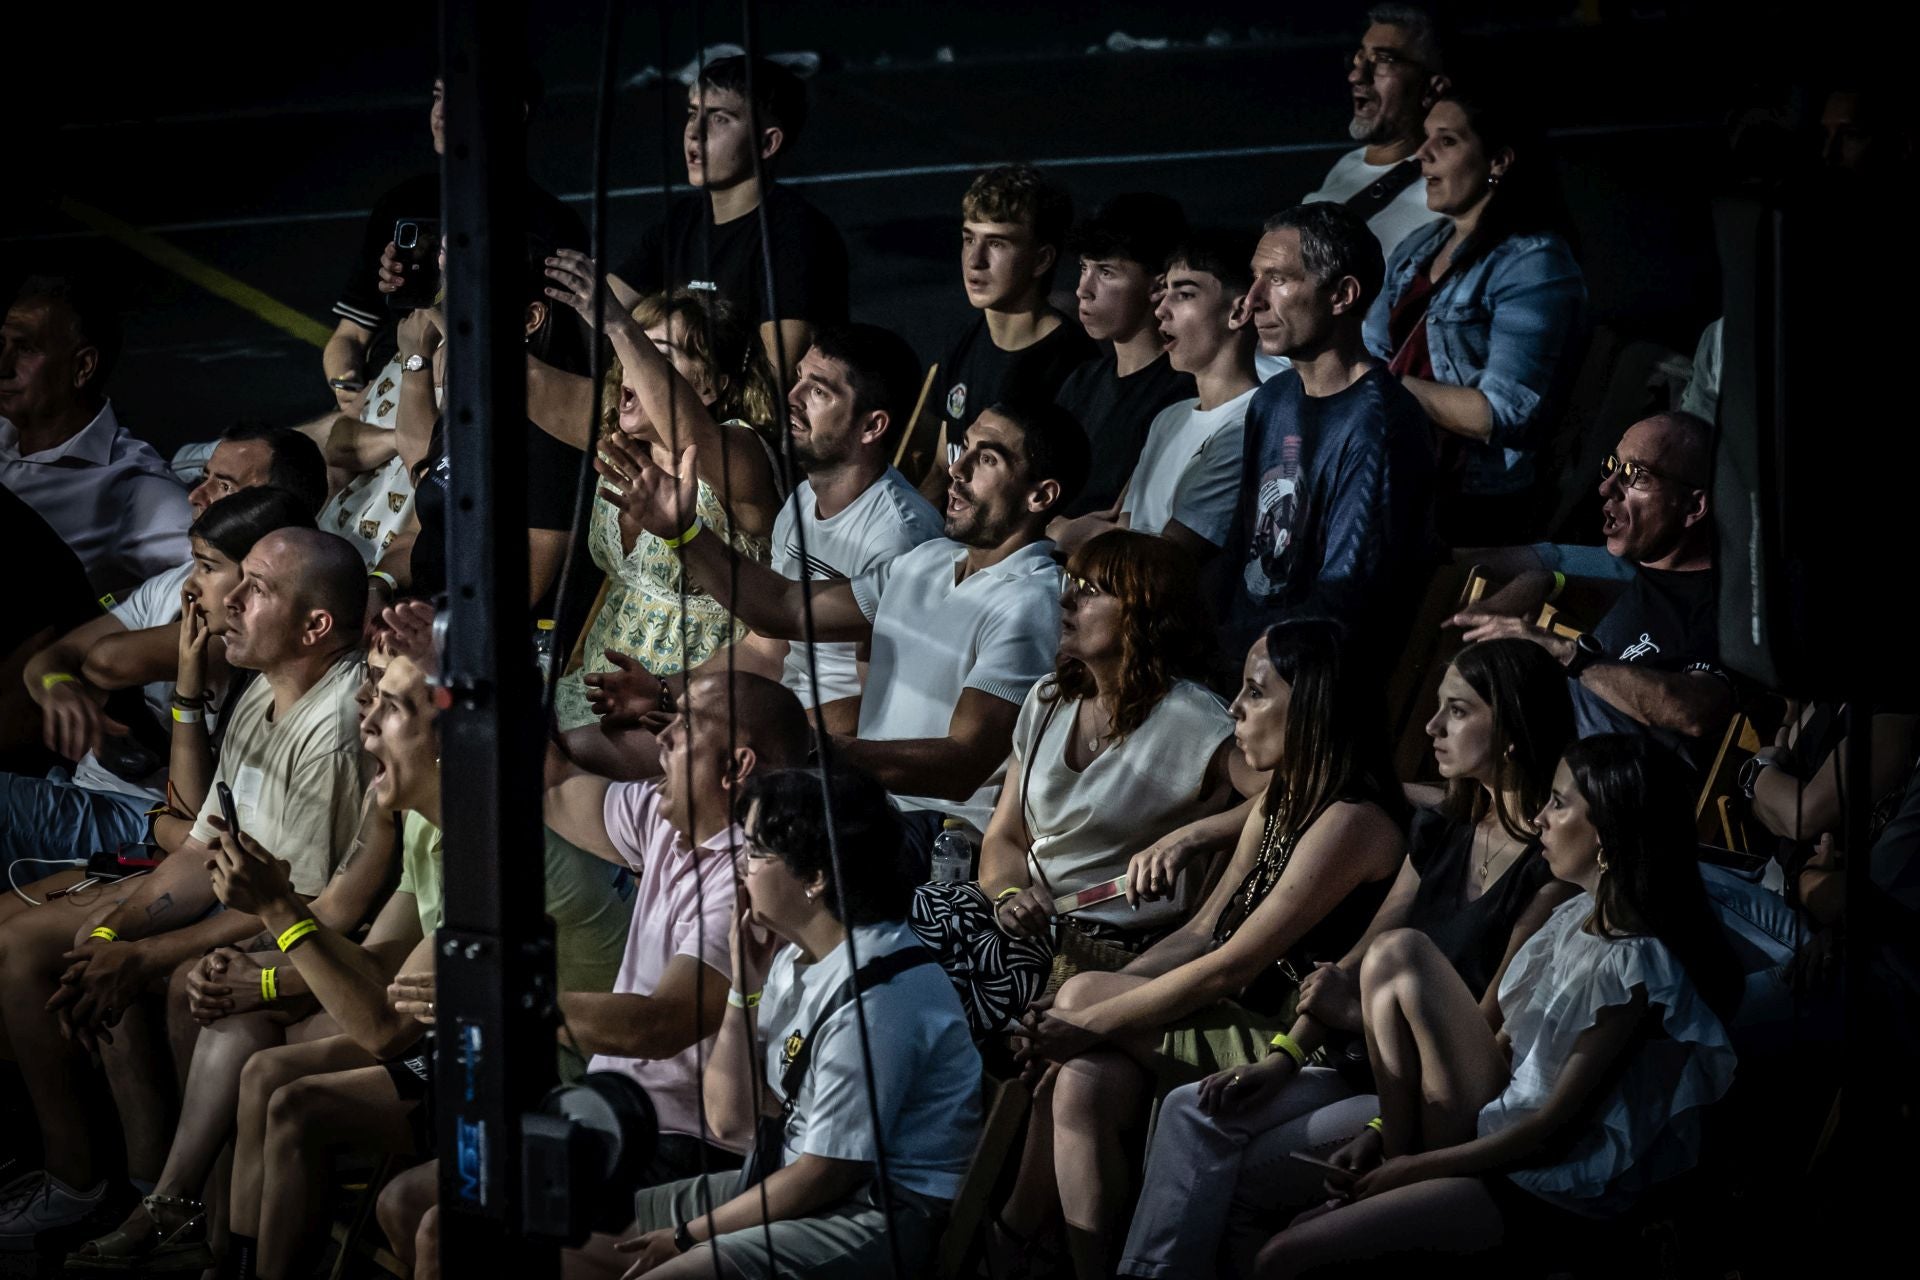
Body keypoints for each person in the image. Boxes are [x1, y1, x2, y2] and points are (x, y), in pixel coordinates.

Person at [1119, 637, 1579, 1278]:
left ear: (1511, 731)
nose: (1431, 726)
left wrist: (1362, 1053)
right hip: (1360, 1065)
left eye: (1457, 711)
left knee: (1245, 1171)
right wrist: (1283, 1058)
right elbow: (1354, 964)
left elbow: (1483, 1026)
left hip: (1434, 1093)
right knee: (1193, 1110)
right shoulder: (1442, 832)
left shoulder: (1550, 873)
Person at [997, 619, 1407, 1278]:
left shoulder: (1350, 821)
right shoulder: (1283, 796)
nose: (1235, 711)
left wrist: (1088, 1018)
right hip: (1225, 1018)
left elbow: (1233, 965)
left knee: (1078, 1014)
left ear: (1311, 707)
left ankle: (1011, 1240)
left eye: (1255, 693)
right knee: (1082, 1075)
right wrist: (1081, 1019)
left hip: (1290, 1044)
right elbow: (1199, 933)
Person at [1249, 734, 1741, 1276]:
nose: (1539, 820)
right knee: (1395, 953)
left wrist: (1414, 1170)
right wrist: (1382, 1133)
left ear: (1606, 834)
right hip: (1487, 1128)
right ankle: (1391, 1150)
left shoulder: (1636, 966)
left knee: (1283, 1257)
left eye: (1558, 803)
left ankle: (1398, 1164)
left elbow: (1546, 1129)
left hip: (1534, 1182)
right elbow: (1498, 1049)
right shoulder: (1568, 921)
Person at [0, 529, 368, 1246]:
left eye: (254, 588)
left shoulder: (337, 722)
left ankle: (197, 1223)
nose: (228, 600)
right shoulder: (265, 687)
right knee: (92, 946)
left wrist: (147, 956)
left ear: (314, 625)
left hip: (313, 932)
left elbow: (304, 906)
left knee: (179, 982)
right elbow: (200, 846)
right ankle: (139, 1198)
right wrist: (115, 936)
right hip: (254, 904)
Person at [590, 394, 1089, 862]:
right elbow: (786, 607)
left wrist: (811, 750)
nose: (955, 469)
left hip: (940, 841)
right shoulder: (932, 560)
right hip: (867, 809)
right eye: (966, 449)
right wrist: (683, 532)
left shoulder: (1031, 599)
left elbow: (962, 763)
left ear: (1040, 496)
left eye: (988, 459)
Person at [610, 765, 981, 1280]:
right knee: (590, 1240)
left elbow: (825, 1173)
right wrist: (743, 987)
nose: (743, 868)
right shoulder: (793, 959)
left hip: (877, 1212)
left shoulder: (882, 997)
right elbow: (729, 1118)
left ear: (814, 876)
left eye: (757, 852)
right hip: (793, 1173)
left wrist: (688, 1235)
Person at [534, 671, 813, 1279]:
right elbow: (553, 785)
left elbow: (661, 1025)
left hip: (678, 1141)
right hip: (611, 1112)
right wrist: (457, 671)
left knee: (456, 1230)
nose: (661, 738)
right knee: (417, 1205)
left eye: (684, 727)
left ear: (735, 765)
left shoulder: (747, 879)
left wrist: (513, 1002)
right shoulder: (667, 817)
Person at [913, 531, 1238, 1037]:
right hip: (1023, 921)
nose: (1067, 598)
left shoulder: (1194, 720)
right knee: (907, 917)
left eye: (1091, 590)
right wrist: (1009, 895)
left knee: (923, 968)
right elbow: (1006, 836)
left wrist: (1195, 836)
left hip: (1097, 947)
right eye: (1071, 582)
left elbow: (1287, 792)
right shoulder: (1049, 700)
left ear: (1143, 613)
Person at [5, 430, 326, 883]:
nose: (197, 495)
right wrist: (60, 685)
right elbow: (52, 659)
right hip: (102, 793)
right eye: (204, 477)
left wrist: (93, 680)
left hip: (143, 814)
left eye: (225, 485)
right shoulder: (186, 580)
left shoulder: (245, 627)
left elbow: (106, 660)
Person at [1450, 412, 1735, 773]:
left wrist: (1568, 654)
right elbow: (1577, 581)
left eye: (1637, 476)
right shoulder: (1644, 575)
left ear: (1694, 506)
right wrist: (1543, 581)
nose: (1606, 488)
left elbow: (1693, 711)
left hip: (1612, 808)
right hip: (1548, 785)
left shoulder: (1724, 607)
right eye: (1613, 466)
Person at [1218, 202, 1436, 671]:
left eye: (1276, 279)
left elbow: (1346, 595)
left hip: (1305, 677)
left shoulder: (1381, 423)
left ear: (1342, 295)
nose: (1253, 299)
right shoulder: (1271, 400)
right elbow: (1242, 545)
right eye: (1255, 277)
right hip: (1238, 658)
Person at [1364, 89, 1587, 546]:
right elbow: (1371, 348)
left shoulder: (1533, 263)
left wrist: (1385, 386)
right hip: (1396, 469)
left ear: (1499, 161)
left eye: (1446, 141)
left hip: (1471, 496)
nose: (1422, 154)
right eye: (1425, 139)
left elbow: (1504, 414)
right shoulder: (1420, 246)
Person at [322, 71, 586, 414]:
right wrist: (347, 385)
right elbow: (351, 333)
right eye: (437, 96)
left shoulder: (550, 227)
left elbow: (556, 359)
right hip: (388, 389)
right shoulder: (403, 205)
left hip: (480, 395)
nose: (441, 112)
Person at [376, 243, 593, 633]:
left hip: (476, 644)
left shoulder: (550, 438)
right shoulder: (475, 403)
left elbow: (514, 596)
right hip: (421, 614)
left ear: (530, 318)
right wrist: (377, 587)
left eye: (475, 297)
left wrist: (424, 640)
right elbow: (419, 535)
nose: (457, 314)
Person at [611, 56, 848, 379]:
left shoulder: (796, 235)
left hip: (745, 424)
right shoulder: (682, 221)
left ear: (767, 143)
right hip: (687, 404)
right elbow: (601, 311)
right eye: (693, 114)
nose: (694, 133)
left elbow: (777, 376)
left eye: (720, 119)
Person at [1059, 229, 1260, 562]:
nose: (1161, 309)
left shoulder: (1248, 423)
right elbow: (1123, 529)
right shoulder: (1171, 417)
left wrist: (1061, 535)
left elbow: (1165, 558)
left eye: (1184, 294)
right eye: (1165, 292)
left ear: (1238, 313)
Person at [0, 274, 193, 597]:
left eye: (25, 349)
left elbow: (218, 583)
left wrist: (111, 625)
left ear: (83, 368)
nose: (2, 365)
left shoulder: (136, 489)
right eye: (0, 345)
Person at [924, 164, 1095, 498]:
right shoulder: (963, 341)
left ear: (1041, 259)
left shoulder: (1072, 366)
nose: (975, 261)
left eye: (997, 244)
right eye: (969, 238)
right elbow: (941, 468)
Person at [1052, 193, 1195, 517]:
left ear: (1158, 287)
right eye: (1083, 268)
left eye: (1105, 273)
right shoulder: (1082, 382)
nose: (1082, 289)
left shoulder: (1181, 394)